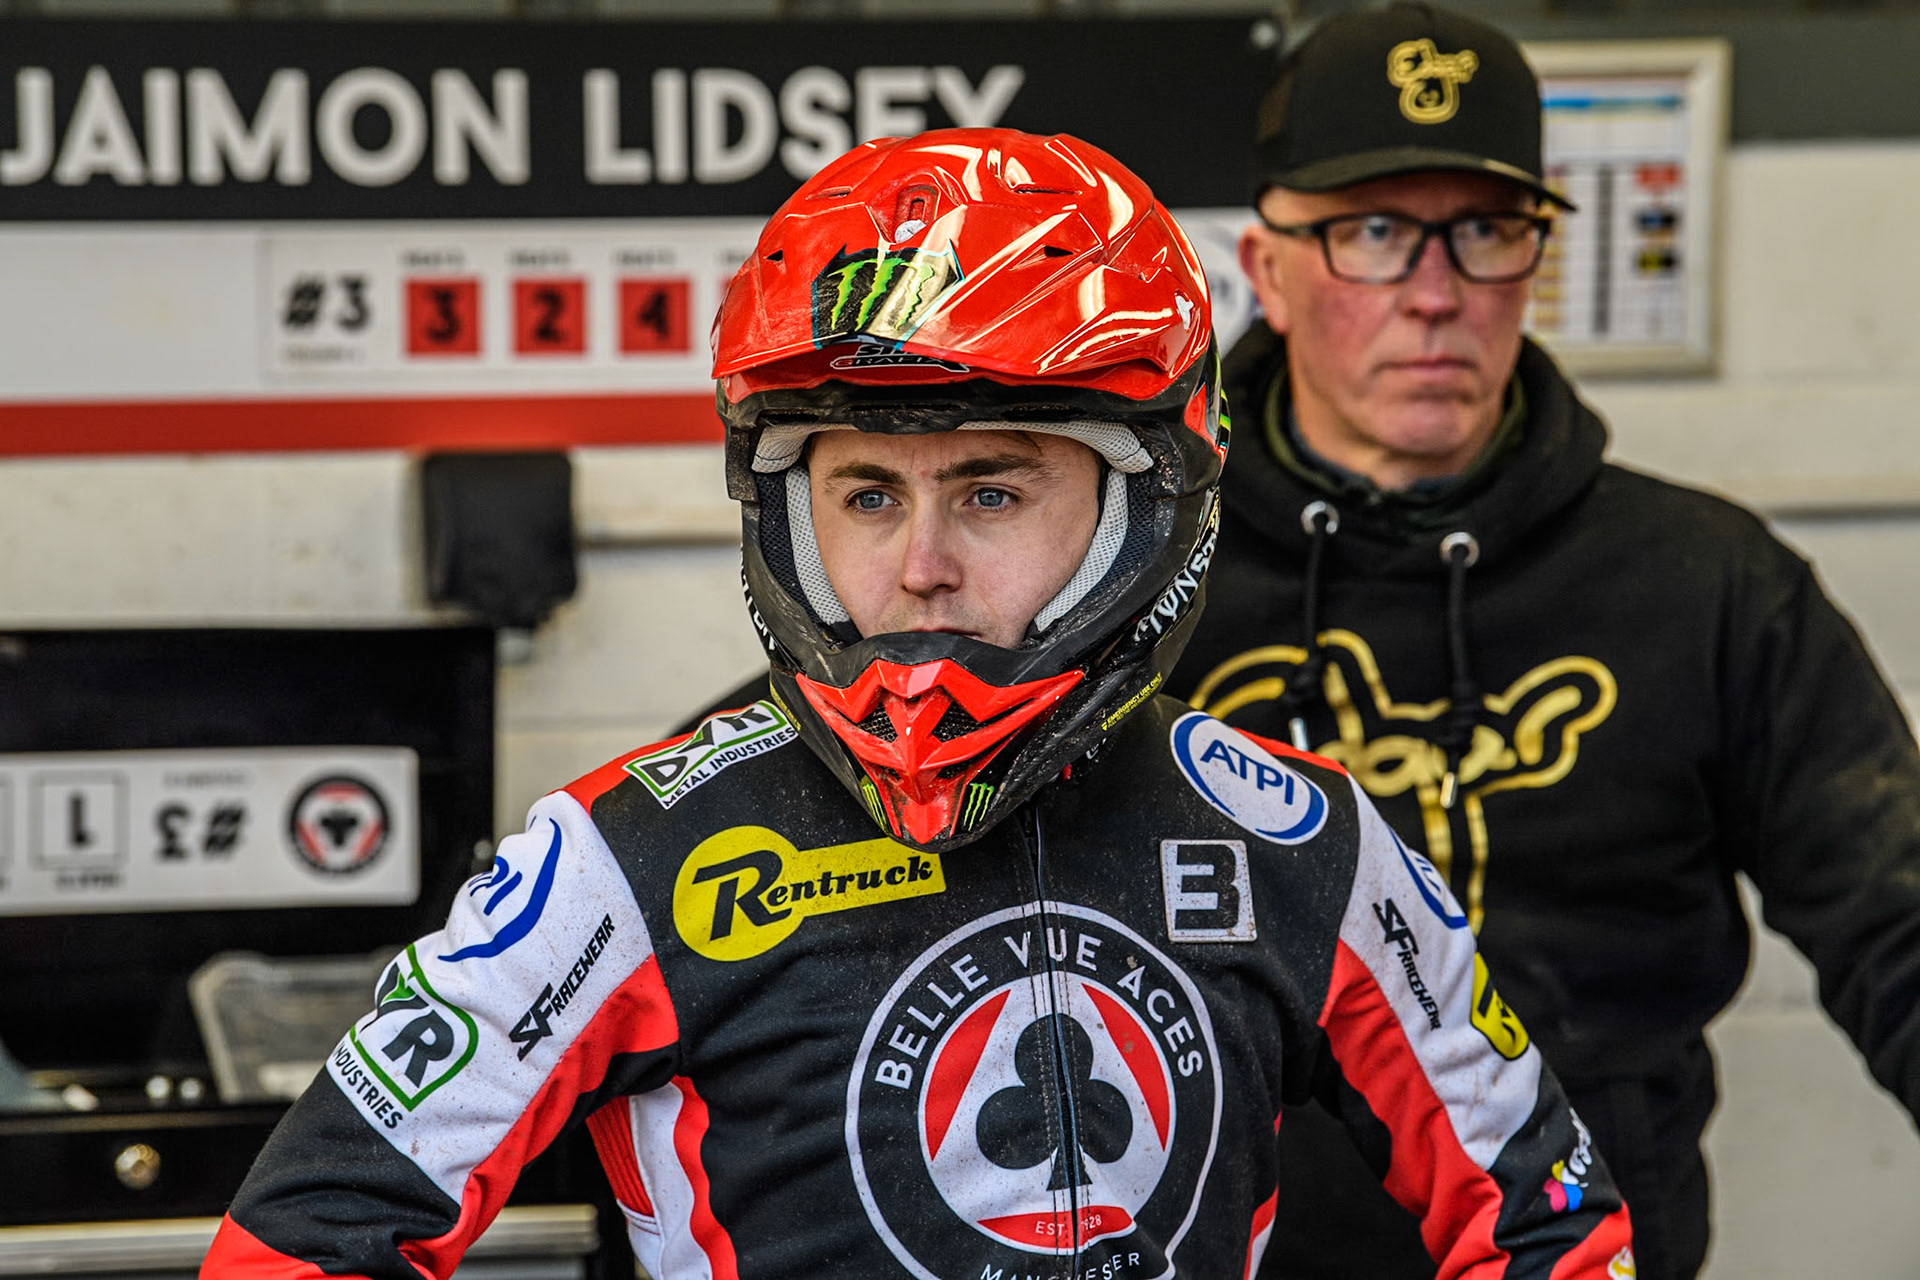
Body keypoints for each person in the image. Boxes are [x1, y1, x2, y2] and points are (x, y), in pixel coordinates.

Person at [199, 128, 1634, 1280]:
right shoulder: (621, 858)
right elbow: (303, 1240)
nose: (920, 568)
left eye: (992, 491)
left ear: (1146, 508)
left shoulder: (1299, 838)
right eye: (865, 493)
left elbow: (1551, 1224)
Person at [1160, 6, 1920, 1280]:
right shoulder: (1128, 574)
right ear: (1269, 265)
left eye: (1489, 232)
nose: (1440, 291)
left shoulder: (1711, 588)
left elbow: (1897, 923)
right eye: (1377, 232)